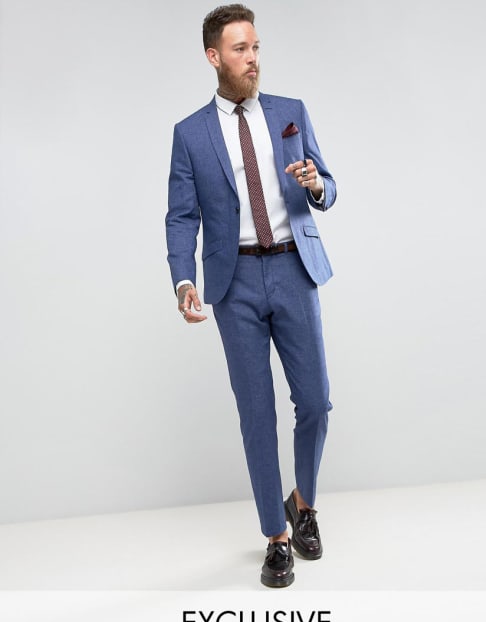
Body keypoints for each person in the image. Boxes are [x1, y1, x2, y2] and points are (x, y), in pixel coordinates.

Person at [165, 3, 337, 588]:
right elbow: (180, 216)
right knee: (256, 414)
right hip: (233, 282)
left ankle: (304, 503)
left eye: (256, 47)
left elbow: (329, 183)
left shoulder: (291, 113)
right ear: (214, 57)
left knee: (315, 402)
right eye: (241, 49)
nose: (253, 59)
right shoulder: (190, 134)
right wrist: (183, 279)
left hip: (294, 268)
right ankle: (276, 536)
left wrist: (316, 184)